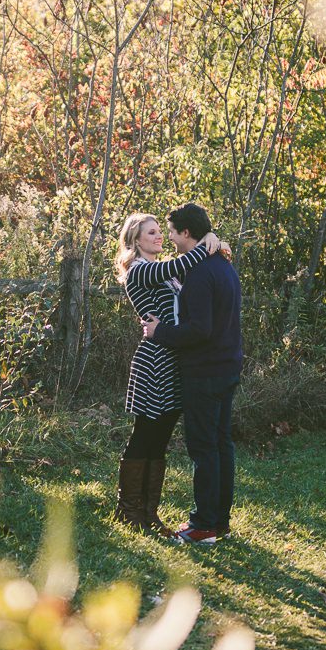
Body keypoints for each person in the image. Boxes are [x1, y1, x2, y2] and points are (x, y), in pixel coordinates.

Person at [140, 203, 243, 545]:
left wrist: (160, 333)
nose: (168, 238)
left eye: (170, 231)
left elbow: (199, 329)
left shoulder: (200, 273)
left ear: (186, 233)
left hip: (205, 370)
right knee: (221, 445)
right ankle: (220, 521)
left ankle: (202, 526)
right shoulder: (223, 265)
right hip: (227, 365)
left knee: (204, 449)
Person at [111, 212, 221, 533]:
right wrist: (206, 243)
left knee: (160, 438)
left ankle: (149, 513)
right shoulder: (140, 270)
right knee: (145, 433)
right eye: (151, 233)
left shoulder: (164, 275)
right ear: (135, 240)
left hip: (173, 360)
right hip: (154, 361)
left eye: (160, 232)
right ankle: (128, 510)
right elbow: (177, 265)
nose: (159, 237)